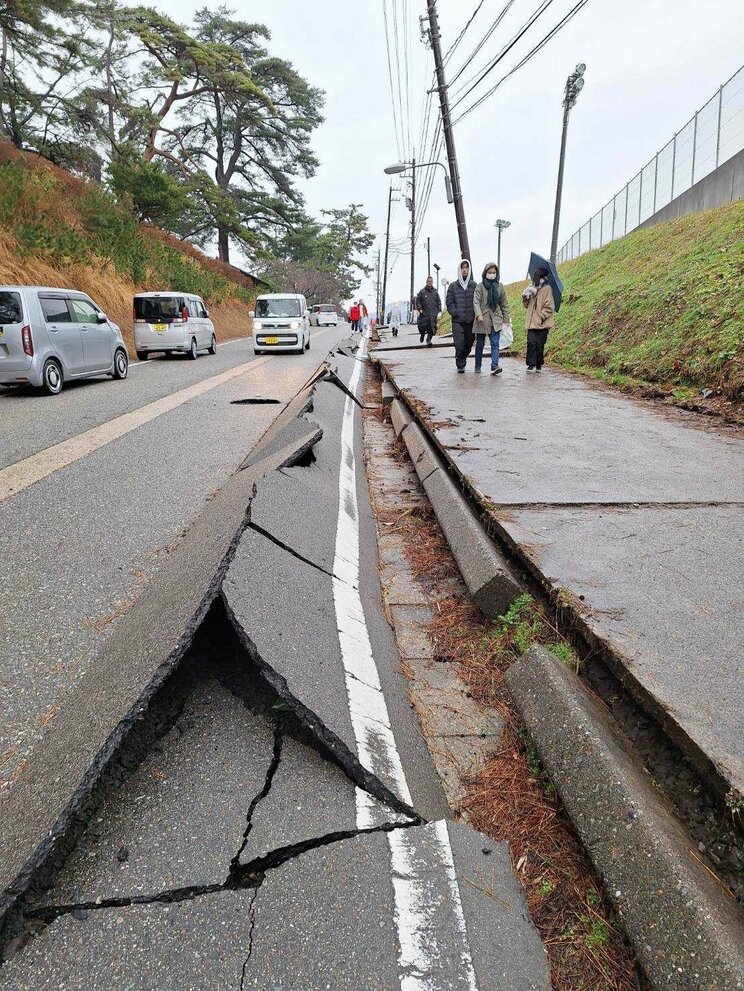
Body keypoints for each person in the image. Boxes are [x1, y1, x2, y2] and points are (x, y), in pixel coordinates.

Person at [473, 262, 510, 375]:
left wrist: (506, 319)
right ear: (485, 273)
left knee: (495, 343)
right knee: (480, 344)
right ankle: (477, 365)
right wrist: (478, 314)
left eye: (494, 272)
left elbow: (504, 304)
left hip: (496, 319)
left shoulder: (500, 286)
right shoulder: (480, 286)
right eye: (489, 272)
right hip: (482, 319)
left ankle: (494, 365)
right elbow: (476, 301)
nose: (492, 274)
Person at [521, 267, 555, 371]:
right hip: (531, 323)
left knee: (540, 345)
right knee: (531, 343)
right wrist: (525, 297)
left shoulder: (547, 289)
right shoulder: (531, 288)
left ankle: (539, 364)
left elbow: (550, 306)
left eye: (537, 276)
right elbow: (526, 305)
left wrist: (541, 316)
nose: (535, 278)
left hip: (542, 323)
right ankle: (531, 364)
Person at [446, 259, 476, 373]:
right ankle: (460, 364)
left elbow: (477, 301)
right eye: (462, 267)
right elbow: (449, 302)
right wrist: (455, 312)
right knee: (459, 344)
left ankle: (462, 357)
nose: (464, 270)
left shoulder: (474, 285)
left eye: (466, 268)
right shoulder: (453, 286)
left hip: (471, 321)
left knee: (468, 345)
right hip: (457, 321)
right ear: (459, 269)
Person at [415, 275, 442, 346]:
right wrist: (420, 308)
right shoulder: (422, 291)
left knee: (432, 328)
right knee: (422, 327)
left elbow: (439, 301)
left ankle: (428, 340)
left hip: (433, 313)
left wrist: (439, 310)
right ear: (426, 282)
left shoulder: (435, 292)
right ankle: (422, 334)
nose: (429, 283)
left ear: (432, 282)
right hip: (424, 313)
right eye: (428, 281)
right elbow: (417, 300)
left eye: (431, 281)